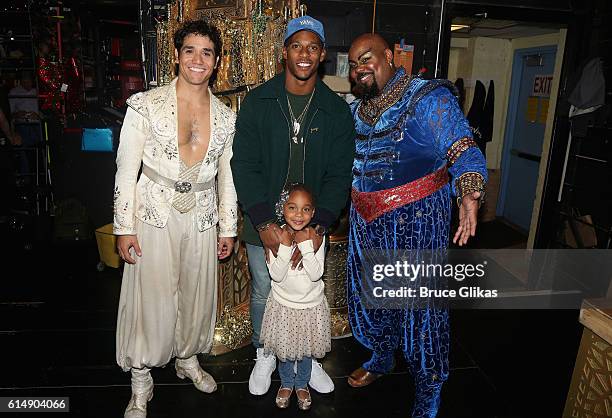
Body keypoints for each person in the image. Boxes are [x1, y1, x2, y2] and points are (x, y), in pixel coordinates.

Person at [346, 33, 487, 417]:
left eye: (368, 58)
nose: (360, 67)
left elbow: (461, 145)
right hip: (365, 223)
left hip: (416, 223)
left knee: (421, 314)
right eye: (355, 62)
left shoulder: (429, 97)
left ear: (390, 56)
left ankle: (428, 391)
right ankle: (381, 357)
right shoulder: (357, 110)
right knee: (371, 300)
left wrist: (469, 191)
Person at [113, 20, 237, 418]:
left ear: (216, 62)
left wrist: (229, 227)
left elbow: (227, 175)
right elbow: (124, 168)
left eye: (206, 52)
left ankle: (187, 359)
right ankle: (141, 378)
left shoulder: (226, 115)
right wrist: (123, 227)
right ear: (177, 55)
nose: (197, 59)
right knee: (149, 297)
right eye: (190, 50)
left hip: (201, 216)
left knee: (196, 294)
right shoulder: (146, 104)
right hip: (153, 213)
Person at [231, 15, 355, 396]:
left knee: (310, 292)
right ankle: (265, 352)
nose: (304, 54)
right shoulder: (258, 101)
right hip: (263, 222)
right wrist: (266, 223)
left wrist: (318, 227)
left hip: (313, 223)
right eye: (297, 46)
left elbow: (340, 173)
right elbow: (244, 162)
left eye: (313, 47)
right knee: (266, 293)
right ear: (284, 51)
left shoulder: (335, 110)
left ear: (322, 56)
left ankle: (309, 356)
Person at [260, 183, 331, 411]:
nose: (298, 215)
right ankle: (286, 383)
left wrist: (306, 247)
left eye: (305, 209)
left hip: (311, 307)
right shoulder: (276, 236)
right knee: (285, 351)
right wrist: (285, 247)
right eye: (292, 208)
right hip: (284, 306)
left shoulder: (316, 236)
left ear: (313, 212)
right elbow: (277, 275)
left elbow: (316, 273)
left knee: (306, 351)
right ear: (283, 209)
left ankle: (302, 383)